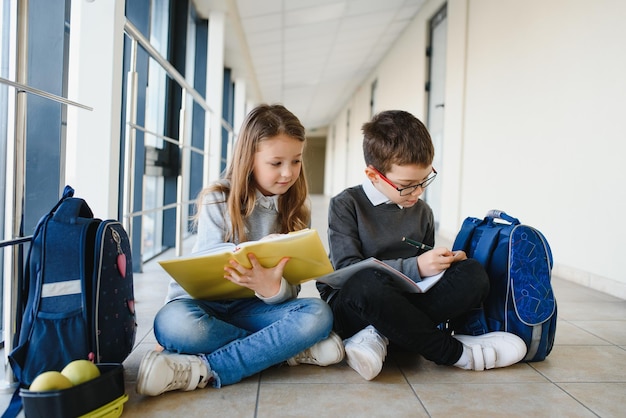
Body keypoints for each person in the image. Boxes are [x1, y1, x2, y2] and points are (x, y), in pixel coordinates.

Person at [137, 104, 344, 396]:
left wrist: (272, 289)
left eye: (296, 161)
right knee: (174, 325)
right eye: (276, 163)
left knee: (318, 314)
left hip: (256, 310)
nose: (288, 173)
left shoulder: (297, 210)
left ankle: (204, 369)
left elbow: (292, 291)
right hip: (206, 307)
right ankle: (286, 350)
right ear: (250, 160)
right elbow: (198, 274)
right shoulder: (217, 199)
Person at [317, 110, 526, 381]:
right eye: (407, 185)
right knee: (367, 283)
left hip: (403, 304)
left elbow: (423, 275)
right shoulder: (346, 204)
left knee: (473, 274)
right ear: (374, 175)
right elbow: (347, 270)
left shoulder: (422, 211)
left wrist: (443, 263)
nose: (418, 192)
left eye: (424, 181)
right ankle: (455, 354)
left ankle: (381, 334)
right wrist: (416, 266)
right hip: (356, 303)